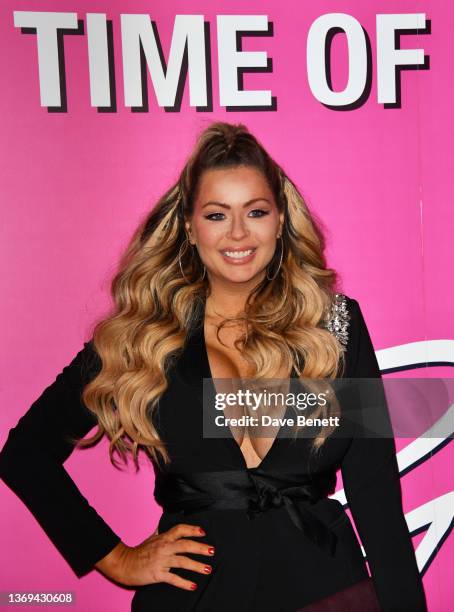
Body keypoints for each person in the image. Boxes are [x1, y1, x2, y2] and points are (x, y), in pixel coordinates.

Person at [0, 122, 427, 611]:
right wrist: (117, 558)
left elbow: (376, 497)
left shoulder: (334, 325)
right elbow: (26, 454)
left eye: (257, 211)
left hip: (327, 590)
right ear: (189, 224)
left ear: (281, 218)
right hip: (193, 598)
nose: (239, 233)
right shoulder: (144, 338)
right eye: (217, 214)